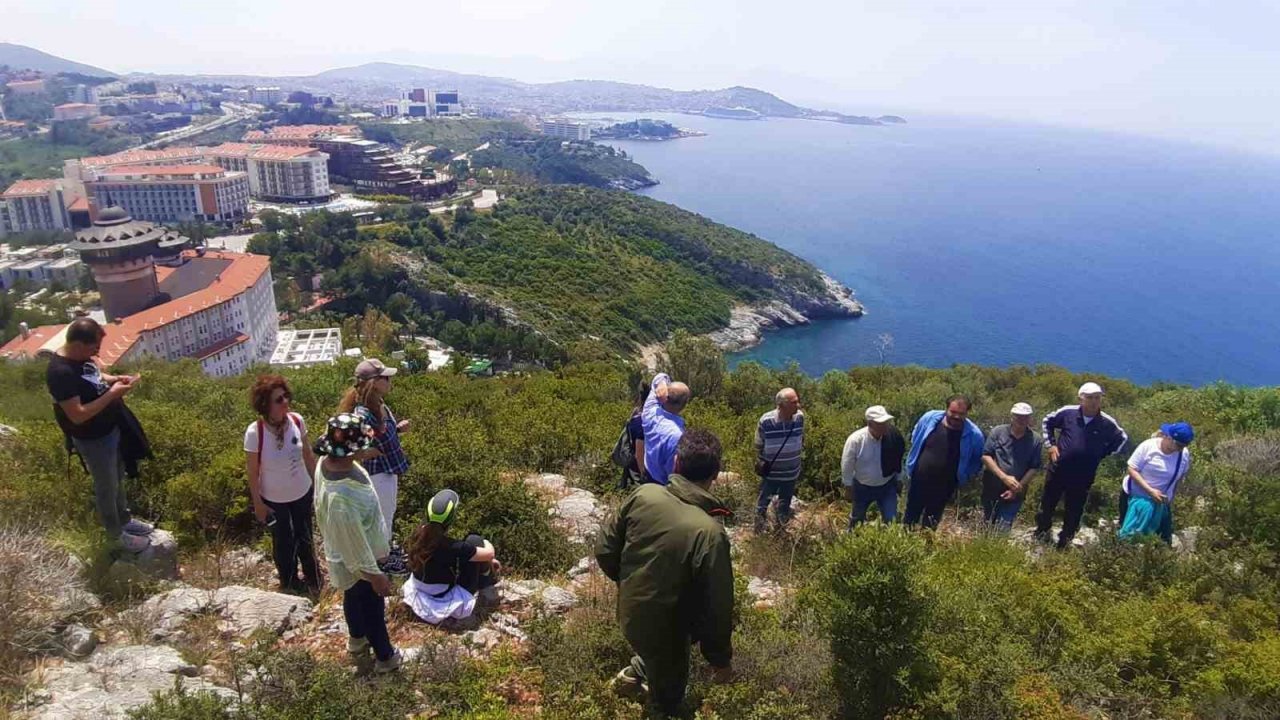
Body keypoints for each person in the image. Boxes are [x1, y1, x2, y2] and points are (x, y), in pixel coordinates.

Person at [597, 428, 734, 715]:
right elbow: (717, 606)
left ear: (675, 463)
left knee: (655, 646)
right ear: (715, 476)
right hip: (668, 630)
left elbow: (605, 550)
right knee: (669, 698)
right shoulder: (710, 532)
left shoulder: (644, 493)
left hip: (629, 612)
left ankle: (632, 676)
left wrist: (630, 582)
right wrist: (719, 659)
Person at [46, 317, 153, 553]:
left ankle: (124, 520)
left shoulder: (81, 359)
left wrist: (113, 379)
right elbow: (78, 415)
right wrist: (113, 395)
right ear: (78, 344)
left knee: (118, 478)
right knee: (106, 485)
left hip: (110, 428)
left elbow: (93, 375)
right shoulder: (60, 373)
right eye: (94, 347)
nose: (97, 353)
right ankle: (115, 535)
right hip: (93, 438)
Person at [313, 413, 402, 673]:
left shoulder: (326, 463)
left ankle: (356, 639)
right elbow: (355, 548)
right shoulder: (343, 498)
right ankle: (386, 658)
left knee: (352, 598)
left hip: (344, 555)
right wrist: (376, 576)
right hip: (360, 563)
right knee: (372, 608)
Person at [244, 375, 320, 593]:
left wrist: (318, 486)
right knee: (283, 541)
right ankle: (289, 582)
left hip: (302, 491)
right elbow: (252, 471)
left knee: (305, 535)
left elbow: (307, 454)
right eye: (279, 400)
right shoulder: (254, 432)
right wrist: (258, 504)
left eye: (286, 396)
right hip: (274, 498)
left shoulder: (297, 421)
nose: (285, 402)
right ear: (265, 404)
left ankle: (313, 578)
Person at [339, 358, 412, 575]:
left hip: (387, 471)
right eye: (385, 378)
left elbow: (378, 436)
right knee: (382, 515)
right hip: (378, 474)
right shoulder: (362, 415)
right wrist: (375, 451)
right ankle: (383, 561)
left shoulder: (378, 405)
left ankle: (385, 550)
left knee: (387, 513)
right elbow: (352, 451)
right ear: (373, 382)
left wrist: (396, 430)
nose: (390, 381)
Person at [1035, 382, 1129, 549]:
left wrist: (1102, 453)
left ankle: (1065, 539)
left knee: (1075, 507)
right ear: (1081, 399)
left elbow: (1122, 439)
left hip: (1083, 474)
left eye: (1097, 398)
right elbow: (1047, 421)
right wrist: (1051, 446)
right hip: (1059, 469)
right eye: (1090, 398)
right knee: (1048, 502)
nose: (1094, 401)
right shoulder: (1068, 413)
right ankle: (1042, 531)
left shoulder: (1106, 422)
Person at [401, 489, 502, 624]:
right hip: (442, 594)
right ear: (451, 519)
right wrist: (487, 543)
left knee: (470, 553)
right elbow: (489, 554)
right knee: (474, 540)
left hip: (420, 587)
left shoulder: (417, 536)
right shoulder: (453, 546)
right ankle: (487, 583)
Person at [904, 395, 985, 529]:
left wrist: (964, 476)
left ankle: (926, 547)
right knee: (911, 515)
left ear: (967, 413)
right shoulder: (930, 418)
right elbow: (916, 434)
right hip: (919, 478)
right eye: (953, 412)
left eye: (961, 414)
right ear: (946, 408)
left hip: (945, 485)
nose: (957, 417)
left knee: (932, 520)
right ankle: (904, 545)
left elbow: (977, 460)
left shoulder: (974, 434)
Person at [1119, 422, 1193, 543]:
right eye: (1178, 445)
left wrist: (1170, 497)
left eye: (1183, 446)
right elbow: (1132, 469)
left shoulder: (1183, 454)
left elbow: (1179, 478)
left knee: (1161, 540)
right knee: (1130, 538)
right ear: (1168, 437)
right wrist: (1150, 491)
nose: (1180, 449)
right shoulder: (1148, 447)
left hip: (1161, 502)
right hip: (1136, 497)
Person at [980, 402, 1045, 531]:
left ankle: (999, 549)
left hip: (1017, 492)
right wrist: (1004, 477)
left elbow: (1034, 467)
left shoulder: (1036, 440)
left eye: (1025, 416)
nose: (1021, 420)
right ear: (1012, 417)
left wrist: (1016, 488)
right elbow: (986, 456)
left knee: (1003, 526)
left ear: (1030, 418)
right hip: (992, 487)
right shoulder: (998, 432)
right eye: (1018, 416)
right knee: (987, 523)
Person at [841, 405, 906, 527]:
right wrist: (848, 486)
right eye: (881, 423)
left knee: (891, 519)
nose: (885, 425)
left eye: (886, 422)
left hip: (886, 485)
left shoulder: (893, 436)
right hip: (862, 487)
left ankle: (889, 543)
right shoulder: (856, 440)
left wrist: (899, 479)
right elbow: (847, 464)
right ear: (870, 424)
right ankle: (852, 540)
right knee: (857, 518)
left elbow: (898, 459)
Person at [753, 388, 805, 533]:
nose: (798, 405)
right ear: (782, 405)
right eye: (794, 402)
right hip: (771, 474)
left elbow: (801, 438)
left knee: (785, 503)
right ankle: (758, 532)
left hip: (791, 473)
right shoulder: (766, 421)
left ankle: (780, 530)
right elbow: (758, 444)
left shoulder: (800, 418)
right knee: (763, 503)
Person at [639, 372, 691, 485]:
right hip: (661, 484)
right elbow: (672, 471)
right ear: (684, 405)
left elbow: (659, 377)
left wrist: (662, 383)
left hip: (648, 471)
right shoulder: (677, 435)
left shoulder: (650, 411)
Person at [617, 385, 649, 489]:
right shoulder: (643, 422)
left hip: (631, 467)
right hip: (639, 469)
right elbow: (639, 453)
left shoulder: (635, 418)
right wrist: (644, 475)